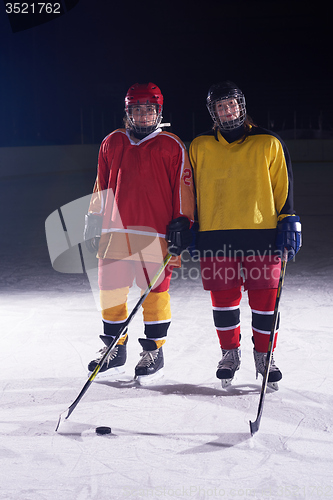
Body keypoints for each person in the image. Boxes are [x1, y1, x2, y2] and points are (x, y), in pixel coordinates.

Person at [189, 81, 301, 389]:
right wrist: (187, 223)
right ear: (213, 112)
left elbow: (284, 187)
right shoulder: (199, 145)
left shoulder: (268, 142)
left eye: (231, 104)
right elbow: (190, 190)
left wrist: (288, 220)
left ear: (241, 105)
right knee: (224, 302)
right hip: (215, 235)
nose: (227, 111)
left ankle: (264, 356)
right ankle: (230, 353)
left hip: (262, 236)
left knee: (265, 302)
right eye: (220, 107)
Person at [84, 82, 194, 385]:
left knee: (155, 295)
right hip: (114, 232)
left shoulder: (172, 145)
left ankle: (153, 350)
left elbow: (183, 188)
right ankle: (113, 347)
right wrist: (94, 216)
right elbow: (101, 183)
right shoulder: (112, 142)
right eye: (136, 110)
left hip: (155, 236)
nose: (143, 115)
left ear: (159, 112)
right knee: (110, 293)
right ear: (127, 112)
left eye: (149, 110)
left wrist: (183, 221)